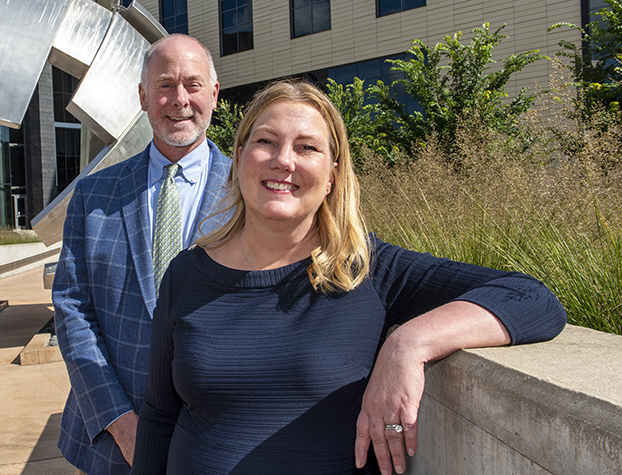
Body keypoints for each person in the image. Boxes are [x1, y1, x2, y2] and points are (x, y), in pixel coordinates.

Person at [130, 80, 567, 475]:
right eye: (266, 141)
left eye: (307, 148)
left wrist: (407, 344)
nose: (283, 160)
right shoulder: (186, 273)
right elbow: (159, 414)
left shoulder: (369, 269)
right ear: (239, 157)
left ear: (332, 177)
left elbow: (533, 299)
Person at [52, 34, 230, 475]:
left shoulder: (250, 193)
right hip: (112, 444)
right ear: (143, 97)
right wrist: (118, 421)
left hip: (219, 439)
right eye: (165, 85)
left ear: (214, 93)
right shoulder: (93, 195)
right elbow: (72, 309)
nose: (179, 99)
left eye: (192, 84)